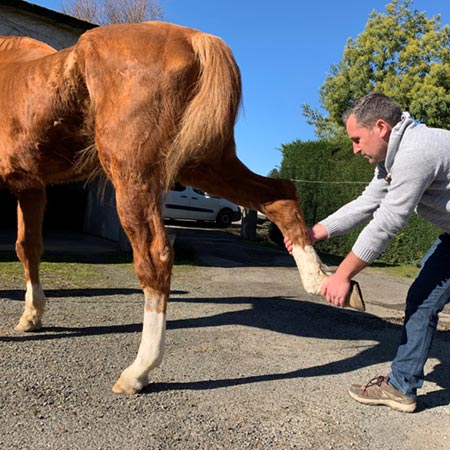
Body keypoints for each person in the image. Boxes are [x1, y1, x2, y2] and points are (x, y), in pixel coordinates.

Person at [285, 92, 450, 413]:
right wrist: (314, 233)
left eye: (357, 139)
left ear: (380, 127)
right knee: (421, 298)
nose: (355, 148)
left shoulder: (417, 151)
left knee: (423, 298)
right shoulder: (392, 159)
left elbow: (388, 221)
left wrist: (343, 275)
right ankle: (402, 386)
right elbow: (366, 204)